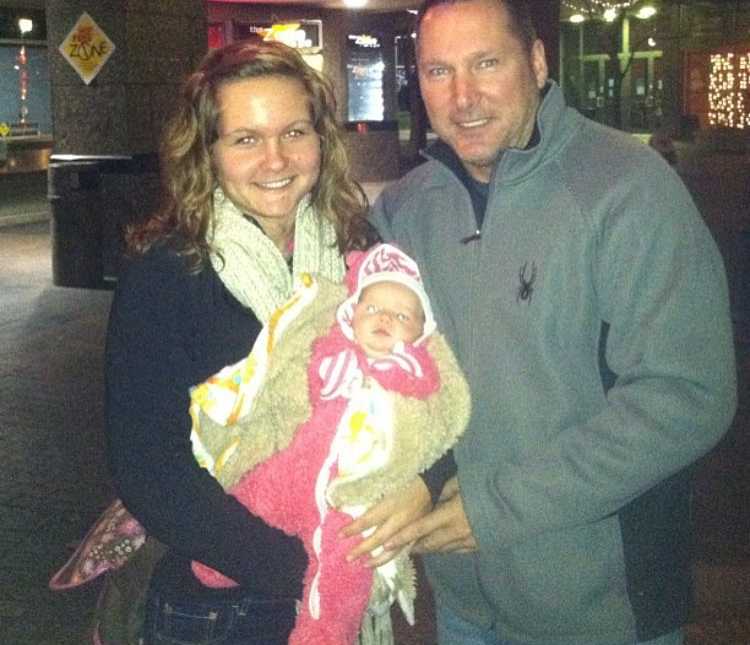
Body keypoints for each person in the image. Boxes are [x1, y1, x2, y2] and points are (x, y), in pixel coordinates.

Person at [360, 1, 738, 644]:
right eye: (438, 71)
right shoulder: (405, 210)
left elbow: (688, 396)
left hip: (600, 608)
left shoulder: (627, 187)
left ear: (536, 63)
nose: (463, 96)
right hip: (461, 598)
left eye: (486, 63)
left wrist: (493, 507)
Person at [103, 40, 444, 645]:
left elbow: (425, 377)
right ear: (206, 154)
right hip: (218, 609)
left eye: (294, 132)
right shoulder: (167, 274)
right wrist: (311, 569)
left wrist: (427, 481)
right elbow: (151, 473)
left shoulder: (358, 255)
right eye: (245, 139)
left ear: (322, 140)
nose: (276, 159)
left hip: (338, 582)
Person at [187, 242, 470, 644]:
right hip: (299, 463)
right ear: (350, 314)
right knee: (255, 494)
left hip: (355, 496)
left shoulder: (419, 371)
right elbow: (296, 381)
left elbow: (441, 420)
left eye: (402, 314)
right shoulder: (331, 346)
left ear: (422, 331)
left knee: (344, 570)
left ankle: (324, 634)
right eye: (373, 308)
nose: (386, 317)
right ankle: (220, 563)